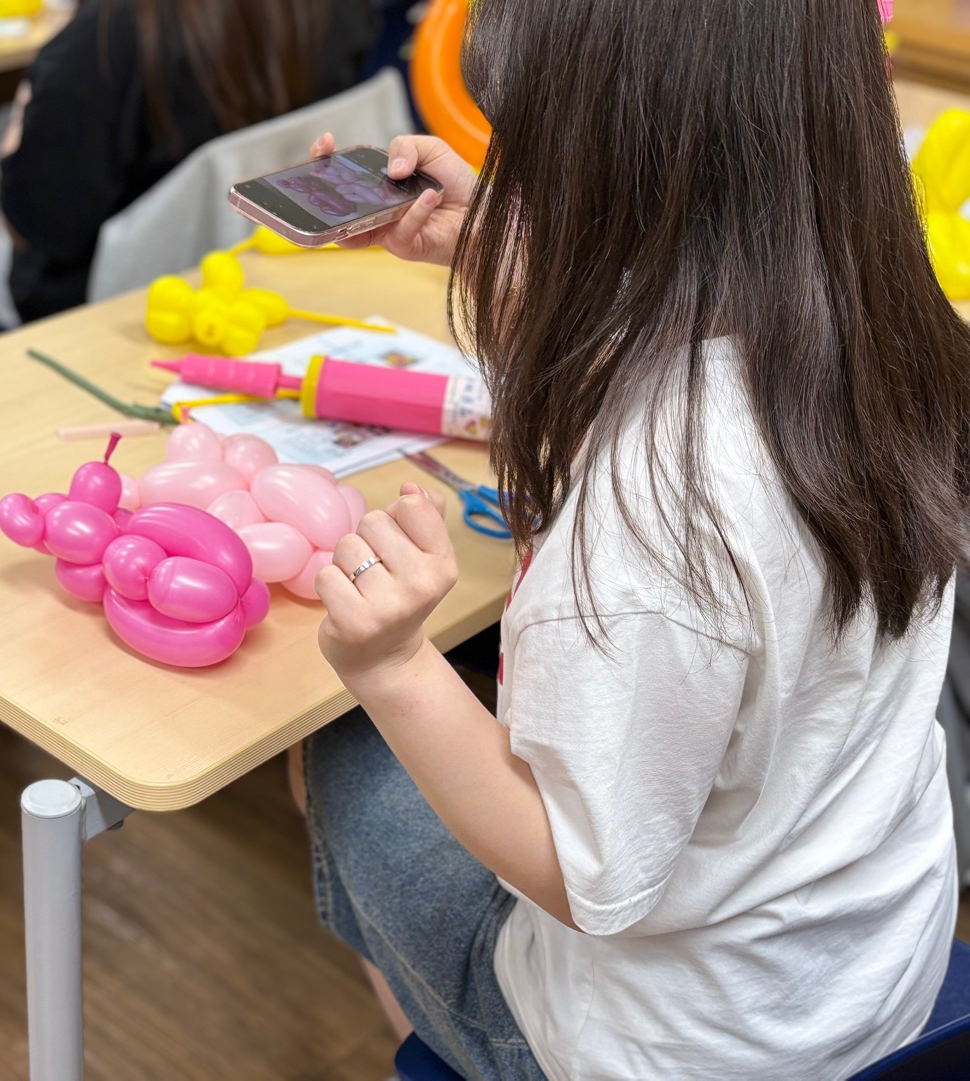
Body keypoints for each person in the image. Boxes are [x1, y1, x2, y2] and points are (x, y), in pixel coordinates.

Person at [295, 1, 967, 1078]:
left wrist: (392, 666)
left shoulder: (658, 506)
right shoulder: (890, 323)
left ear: (603, 167)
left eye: (527, 145)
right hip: (870, 971)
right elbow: (661, 346)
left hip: (688, 1049)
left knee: (335, 750)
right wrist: (504, 253)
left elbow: (587, 876)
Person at [0, 0, 379, 328]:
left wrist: (19, 145)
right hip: (252, 259)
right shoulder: (334, 13)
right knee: (4, 137)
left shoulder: (105, 41)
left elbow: (40, 228)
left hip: (96, 300)